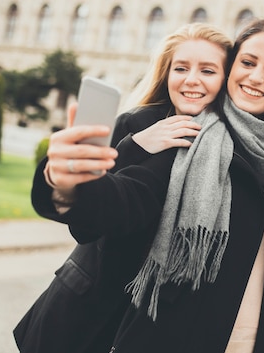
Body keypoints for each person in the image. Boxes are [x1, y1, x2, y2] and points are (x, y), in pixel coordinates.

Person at [19, 19, 264, 353]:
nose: (256, 77)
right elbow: (124, 200)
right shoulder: (190, 140)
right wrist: (66, 186)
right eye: (249, 63)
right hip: (116, 326)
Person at [13, 22, 233, 353]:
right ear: (166, 74)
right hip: (86, 313)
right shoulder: (137, 123)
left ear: (226, 81)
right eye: (181, 68)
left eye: (208, 70)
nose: (191, 79)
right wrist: (134, 146)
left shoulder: (228, 149)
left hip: (152, 325)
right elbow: (91, 223)